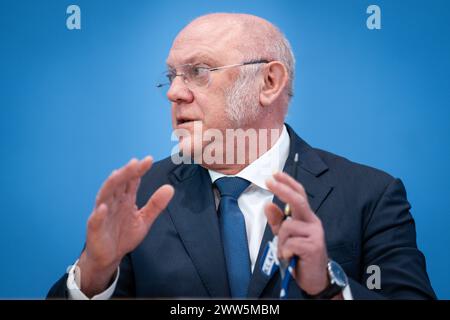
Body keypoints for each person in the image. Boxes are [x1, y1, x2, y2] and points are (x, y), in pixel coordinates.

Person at [47, 13, 436, 299]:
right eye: (171, 76)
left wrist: (328, 286)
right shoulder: (142, 196)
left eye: (198, 71)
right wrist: (94, 273)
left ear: (269, 82)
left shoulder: (370, 194)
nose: (174, 92)